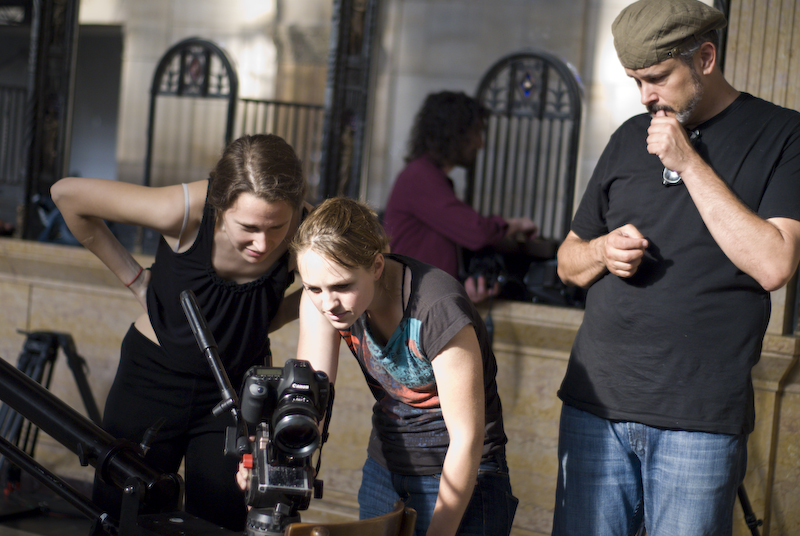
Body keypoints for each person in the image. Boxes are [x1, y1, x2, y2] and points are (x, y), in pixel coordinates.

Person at [551, 1, 800, 535]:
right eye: (635, 81)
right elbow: (568, 263)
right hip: (597, 406)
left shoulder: (783, 135)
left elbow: (774, 263)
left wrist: (688, 162)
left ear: (705, 58)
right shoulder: (626, 137)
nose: (646, 96)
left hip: (700, 419)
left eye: (658, 78)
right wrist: (600, 252)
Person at [51, 133, 310, 531]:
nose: (263, 242)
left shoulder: (306, 227)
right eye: (248, 227)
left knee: (222, 521)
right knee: (123, 515)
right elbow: (66, 195)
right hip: (151, 378)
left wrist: (275, 314)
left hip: (236, 388)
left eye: (277, 227)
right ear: (220, 205)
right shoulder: (184, 208)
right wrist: (135, 279)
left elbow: (357, 266)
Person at [286, 197, 517, 536]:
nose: (328, 304)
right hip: (386, 466)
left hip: (462, 475)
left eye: (342, 286)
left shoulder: (437, 308)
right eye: (313, 288)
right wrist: (278, 466)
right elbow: (309, 405)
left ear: (377, 266)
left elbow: (467, 439)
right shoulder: (322, 302)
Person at [382, 91, 538, 303]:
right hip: (411, 308)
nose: (480, 143)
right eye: (476, 133)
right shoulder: (420, 176)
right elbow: (477, 232)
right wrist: (516, 224)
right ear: (455, 133)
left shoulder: (427, 176)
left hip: (421, 304)